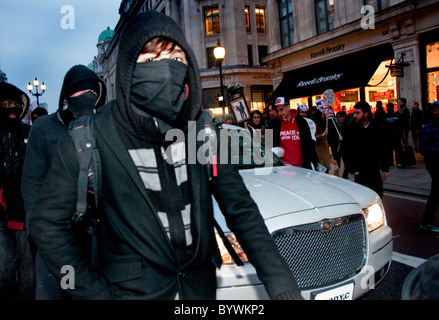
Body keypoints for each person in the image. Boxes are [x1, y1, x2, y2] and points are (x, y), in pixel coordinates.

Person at [27, 11, 302, 300]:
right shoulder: (89, 138)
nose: (165, 69)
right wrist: (89, 291)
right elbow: (47, 223)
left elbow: (242, 211)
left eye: (176, 58)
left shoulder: (201, 132)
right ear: (128, 66)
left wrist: (281, 283)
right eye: (150, 59)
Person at [22, 64, 107, 215]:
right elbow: (33, 179)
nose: (88, 96)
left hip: (101, 222)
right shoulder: (43, 127)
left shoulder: (103, 125)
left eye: (93, 92)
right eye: (81, 91)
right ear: (67, 95)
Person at [0, 81, 35, 299]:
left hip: (24, 212)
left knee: (27, 271)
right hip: (0, 213)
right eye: (5, 104)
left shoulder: (29, 133)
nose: (11, 109)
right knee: (3, 269)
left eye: (14, 104)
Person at [343, 101, 392, 198]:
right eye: (354, 113)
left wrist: (385, 168)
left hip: (374, 169)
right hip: (360, 171)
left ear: (366, 114)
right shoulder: (351, 128)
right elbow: (347, 151)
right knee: (364, 198)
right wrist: (354, 171)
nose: (354, 115)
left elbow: (385, 148)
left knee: (378, 196)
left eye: (357, 113)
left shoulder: (377, 127)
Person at [270, 97, 318, 169]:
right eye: (277, 110)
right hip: (282, 167)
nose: (279, 113)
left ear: (288, 107)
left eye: (281, 109)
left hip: (302, 166)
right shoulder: (273, 124)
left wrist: (314, 161)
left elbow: (309, 143)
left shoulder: (301, 122)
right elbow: (269, 146)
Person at [418, 101, 439, 232]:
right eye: (434, 110)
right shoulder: (427, 128)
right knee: (436, 192)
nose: (436, 112)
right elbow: (422, 149)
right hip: (435, 164)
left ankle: (426, 220)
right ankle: (426, 221)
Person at [385, 102, 402, 166]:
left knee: (390, 149)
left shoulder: (386, 116)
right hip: (395, 134)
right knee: (396, 148)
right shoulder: (397, 114)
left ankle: (391, 162)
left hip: (391, 134)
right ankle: (398, 162)